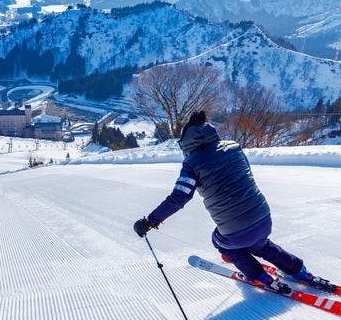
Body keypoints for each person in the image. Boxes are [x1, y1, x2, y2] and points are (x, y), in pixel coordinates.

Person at [133, 111, 312, 291]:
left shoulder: (191, 164)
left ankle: (259, 276)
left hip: (236, 232)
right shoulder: (234, 147)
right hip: (263, 218)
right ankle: (298, 269)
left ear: (186, 142)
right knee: (259, 243)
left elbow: (179, 197)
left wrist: (150, 221)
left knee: (221, 241)